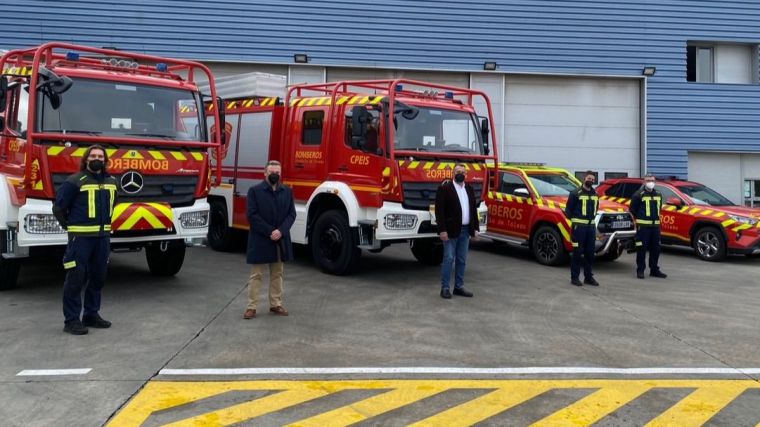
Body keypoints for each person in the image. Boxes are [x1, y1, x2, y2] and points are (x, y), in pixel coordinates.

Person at [52, 145, 118, 335]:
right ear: (86, 159)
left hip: (102, 238)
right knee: (75, 278)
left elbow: (114, 203)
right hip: (80, 239)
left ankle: (91, 314)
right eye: (93, 155)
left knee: (99, 277)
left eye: (100, 156)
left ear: (105, 160)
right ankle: (71, 320)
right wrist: (70, 227)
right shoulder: (74, 181)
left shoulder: (112, 181)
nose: (96, 158)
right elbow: (59, 208)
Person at [243, 160, 296, 319]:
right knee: (256, 275)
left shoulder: (287, 191)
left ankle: (275, 304)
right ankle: (251, 307)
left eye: (277, 172)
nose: (275, 175)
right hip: (261, 238)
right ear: (265, 173)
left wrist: (280, 231)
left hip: (280, 239)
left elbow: (291, 214)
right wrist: (270, 231)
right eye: (272, 172)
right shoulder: (255, 191)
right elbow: (252, 215)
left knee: (277, 273)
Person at [435, 163, 479, 299]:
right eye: (458, 171)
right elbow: (439, 211)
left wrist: (475, 229)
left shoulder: (470, 189)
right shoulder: (445, 189)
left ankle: (458, 287)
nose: (460, 173)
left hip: (465, 231)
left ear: (466, 175)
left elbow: (473, 210)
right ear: (453, 173)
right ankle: (445, 288)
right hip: (450, 231)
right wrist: (442, 230)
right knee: (448, 259)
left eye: (463, 171)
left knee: (462, 260)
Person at [565, 171, 600, 287]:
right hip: (579, 228)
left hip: (590, 228)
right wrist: (576, 222)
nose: (591, 181)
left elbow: (596, 208)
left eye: (593, 179)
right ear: (584, 178)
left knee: (590, 253)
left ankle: (588, 277)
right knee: (577, 253)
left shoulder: (595, 194)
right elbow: (568, 211)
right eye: (589, 178)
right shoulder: (576, 193)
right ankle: (574, 277)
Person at [630, 174, 668, 279]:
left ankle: (654, 270)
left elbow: (659, 208)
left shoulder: (658, 195)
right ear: (644, 182)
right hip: (643, 228)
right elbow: (633, 210)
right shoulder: (638, 195)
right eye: (648, 180)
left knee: (656, 249)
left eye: (652, 180)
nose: (650, 182)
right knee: (641, 249)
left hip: (655, 227)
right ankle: (640, 270)